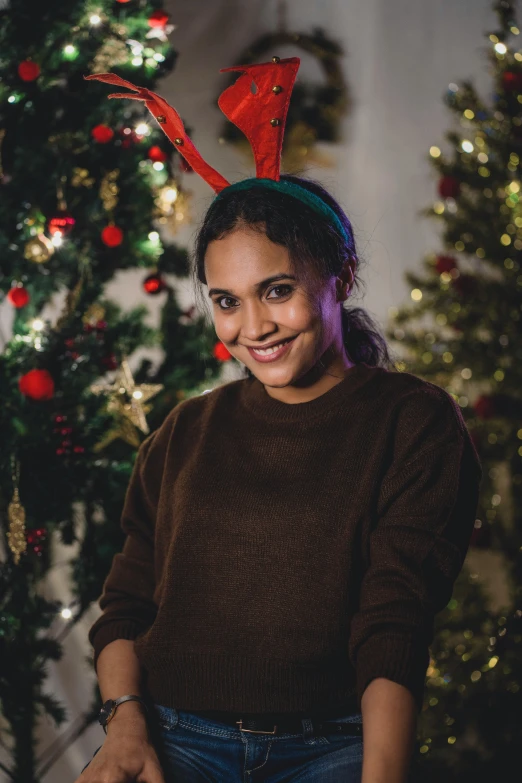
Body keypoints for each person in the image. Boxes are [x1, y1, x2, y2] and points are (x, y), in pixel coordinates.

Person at [77, 61, 483, 783]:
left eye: (277, 290)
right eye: (227, 301)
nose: (253, 326)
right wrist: (126, 725)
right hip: (173, 739)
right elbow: (125, 608)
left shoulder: (413, 423)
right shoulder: (186, 431)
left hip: (332, 748)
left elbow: (395, 623)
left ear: (339, 277)